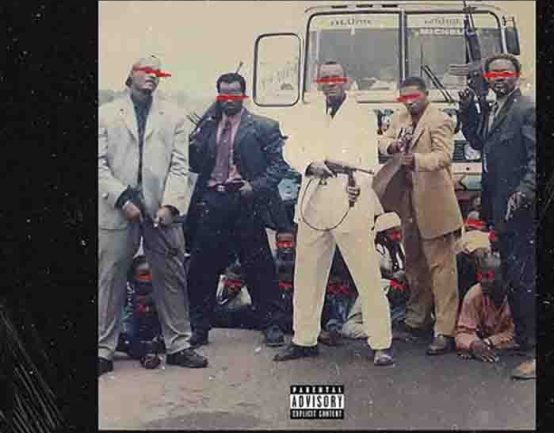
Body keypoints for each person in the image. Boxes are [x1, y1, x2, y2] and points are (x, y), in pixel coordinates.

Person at [274, 61, 394, 366]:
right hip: (313, 200)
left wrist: (358, 186)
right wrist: (309, 164)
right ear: (318, 83)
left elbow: (368, 160)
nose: (330, 83)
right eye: (325, 79)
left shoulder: (362, 116)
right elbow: (291, 149)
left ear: (346, 80)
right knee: (307, 275)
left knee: (366, 273)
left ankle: (380, 343)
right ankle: (304, 340)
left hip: (349, 198)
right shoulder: (306, 114)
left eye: (336, 78)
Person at [98, 55, 208, 376]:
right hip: (117, 209)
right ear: (129, 75)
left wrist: (170, 205)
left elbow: (179, 166)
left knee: (172, 276)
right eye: (145, 70)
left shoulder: (173, 116)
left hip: (160, 210)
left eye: (157, 72)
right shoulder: (106, 114)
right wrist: (121, 198)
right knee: (110, 278)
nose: (152, 76)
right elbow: (98, 164)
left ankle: (178, 345)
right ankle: (103, 349)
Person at [185, 72, 289, 348]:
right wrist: (193, 141)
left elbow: (279, 166)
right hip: (213, 200)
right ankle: (199, 327)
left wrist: (254, 187)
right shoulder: (208, 126)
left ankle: (271, 324)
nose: (229, 99)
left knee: (259, 266)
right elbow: (195, 164)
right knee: (203, 267)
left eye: (234, 94)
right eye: (224, 94)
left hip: (246, 202)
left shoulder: (263, 127)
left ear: (243, 95)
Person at [458, 53, 536, 379]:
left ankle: (534, 352)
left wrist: (524, 192)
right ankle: (523, 339)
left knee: (524, 278)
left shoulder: (526, 108)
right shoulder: (494, 108)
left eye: (505, 72)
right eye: (493, 74)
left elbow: (536, 158)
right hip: (500, 209)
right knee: (513, 275)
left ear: (517, 75)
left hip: (520, 209)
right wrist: (467, 109)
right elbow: (478, 141)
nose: (499, 78)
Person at [374, 76, 463, 355]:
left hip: (435, 203)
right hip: (407, 203)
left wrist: (417, 161)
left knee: (442, 269)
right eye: (405, 97)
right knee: (413, 263)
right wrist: (391, 147)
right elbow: (383, 139)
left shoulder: (440, 120)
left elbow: (444, 156)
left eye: (414, 97)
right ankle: (417, 320)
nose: (410, 102)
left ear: (426, 94)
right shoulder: (398, 116)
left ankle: (445, 331)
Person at [456, 253, 518, 362]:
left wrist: (488, 342)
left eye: (488, 276)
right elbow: (463, 331)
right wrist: (473, 343)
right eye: (480, 276)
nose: (482, 281)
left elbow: (517, 333)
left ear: (504, 278)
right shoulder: (473, 295)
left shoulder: (517, 297)